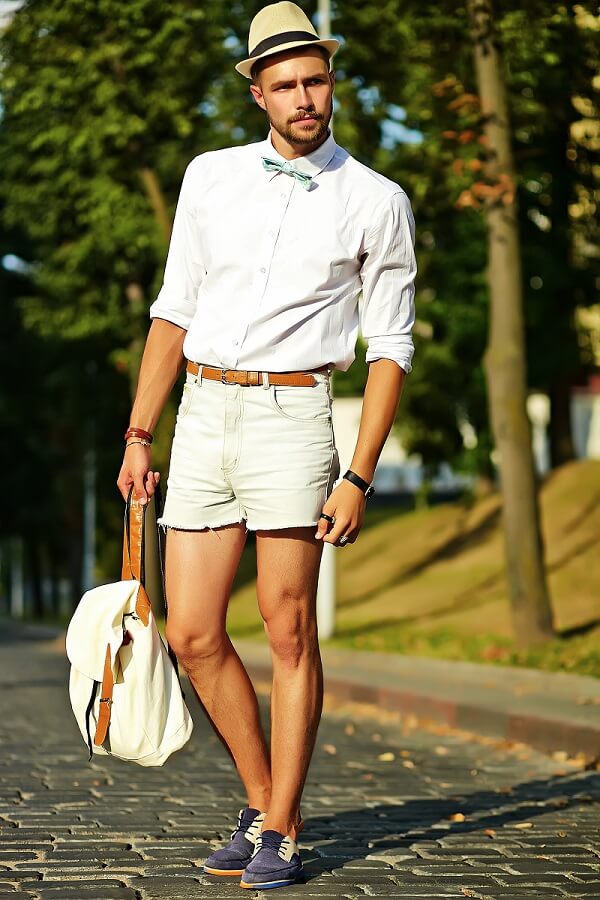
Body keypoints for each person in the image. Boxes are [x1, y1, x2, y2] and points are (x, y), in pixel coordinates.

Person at [117, 0, 416, 891]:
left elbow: (391, 345)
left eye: (316, 80)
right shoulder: (208, 177)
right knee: (193, 630)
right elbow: (175, 308)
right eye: (284, 84)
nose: (304, 98)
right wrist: (140, 430)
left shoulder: (376, 200)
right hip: (204, 412)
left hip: (296, 417)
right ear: (257, 93)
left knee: (287, 629)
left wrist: (358, 470)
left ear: (333, 81)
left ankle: (281, 829)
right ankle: (264, 801)